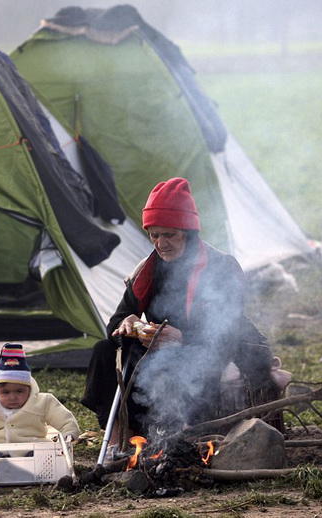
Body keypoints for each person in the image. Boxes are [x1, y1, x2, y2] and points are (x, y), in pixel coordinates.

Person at [81, 177, 279, 438]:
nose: (161, 244)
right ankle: (121, 432)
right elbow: (114, 324)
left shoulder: (221, 268)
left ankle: (184, 434)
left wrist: (183, 338)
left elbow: (229, 331)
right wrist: (127, 322)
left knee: (188, 358)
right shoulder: (147, 270)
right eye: (154, 235)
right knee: (104, 351)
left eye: (169, 235)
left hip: (220, 348)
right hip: (162, 352)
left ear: (189, 232)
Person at [0, 343, 81, 444]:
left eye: (19, 391)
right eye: (5, 392)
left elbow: (63, 419)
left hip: (36, 453)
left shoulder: (44, 402)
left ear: (29, 388)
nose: (13, 397)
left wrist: (69, 432)